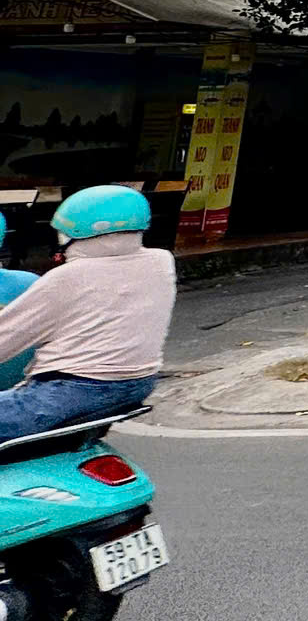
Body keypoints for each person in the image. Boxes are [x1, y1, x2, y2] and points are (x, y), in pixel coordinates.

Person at [0, 186, 176, 439]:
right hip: (140, 385)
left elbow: (7, 337)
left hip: (71, 391)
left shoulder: (68, 278)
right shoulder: (161, 261)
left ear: (76, 234)